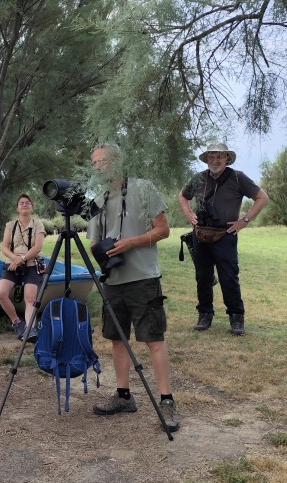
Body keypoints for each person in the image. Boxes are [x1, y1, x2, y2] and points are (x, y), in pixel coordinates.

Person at [87, 143, 178, 432]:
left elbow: (163, 229)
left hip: (143, 277)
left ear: (117, 161)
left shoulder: (143, 188)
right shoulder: (98, 199)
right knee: (117, 339)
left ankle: (166, 401)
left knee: (153, 339)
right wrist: (104, 252)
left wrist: (130, 242)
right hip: (113, 280)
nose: (98, 167)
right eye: (95, 163)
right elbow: (92, 241)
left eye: (103, 161)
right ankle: (123, 396)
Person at [178, 143, 269, 336]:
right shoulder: (199, 178)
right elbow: (183, 196)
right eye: (211, 156)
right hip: (200, 234)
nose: (215, 160)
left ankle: (236, 317)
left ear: (227, 159)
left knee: (229, 277)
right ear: (207, 159)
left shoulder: (238, 177)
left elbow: (262, 198)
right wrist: (189, 214)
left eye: (220, 156)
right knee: (203, 276)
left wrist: (244, 221)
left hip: (225, 235)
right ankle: (204, 315)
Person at [0, 194, 47, 341]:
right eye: (21, 203)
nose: (24, 205)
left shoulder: (38, 225)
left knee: (30, 297)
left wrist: (22, 259)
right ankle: (17, 323)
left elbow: (38, 247)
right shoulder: (10, 225)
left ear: (32, 207)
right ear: (17, 208)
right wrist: (15, 259)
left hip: (31, 263)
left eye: (27, 203)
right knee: (1, 293)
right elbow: (4, 247)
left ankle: (30, 329)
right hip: (12, 263)